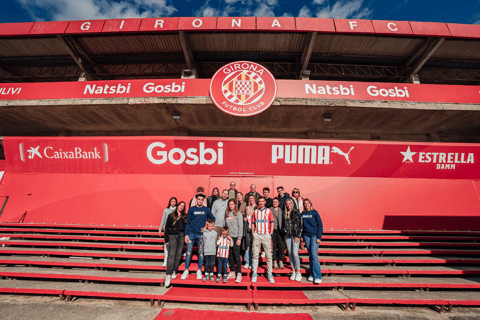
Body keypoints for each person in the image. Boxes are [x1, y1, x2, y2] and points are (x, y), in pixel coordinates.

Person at [182, 193, 215, 280]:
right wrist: (186, 235)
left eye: (202, 199)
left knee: (201, 253)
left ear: (204, 200)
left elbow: (213, 218)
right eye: (199, 199)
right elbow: (187, 223)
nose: (200, 201)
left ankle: (199, 270)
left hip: (201, 234)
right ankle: (186, 270)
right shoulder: (191, 209)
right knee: (189, 252)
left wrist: (206, 227)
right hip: (191, 234)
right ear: (196, 200)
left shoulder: (206, 209)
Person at [251, 197, 275, 284]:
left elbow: (272, 222)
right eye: (259, 201)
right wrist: (253, 233)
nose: (261, 203)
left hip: (266, 235)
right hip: (257, 235)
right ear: (258, 203)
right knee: (255, 255)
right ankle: (254, 272)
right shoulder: (255, 212)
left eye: (262, 201)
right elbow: (253, 223)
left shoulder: (269, 211)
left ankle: (269, 273)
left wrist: (270, 233)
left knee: (268, 256)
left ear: (265, 202)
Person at [164, 201, 186, 287]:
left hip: (181, 236)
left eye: (183, 206)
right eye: (180, 205)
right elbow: (166, 228)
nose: (181, 207)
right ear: (177, 206)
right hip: (172, 235)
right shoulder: (171, 215)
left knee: (178, 254)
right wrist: (166, 239)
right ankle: (168, 275)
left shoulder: (184, 216)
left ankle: (174, 270)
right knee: (171, 254)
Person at [301, 198, 324, 284]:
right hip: (306, 235)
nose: (306, 205)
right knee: (310, 255)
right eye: (305, 204)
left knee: (314, 255)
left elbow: (320, 225)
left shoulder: (314, 212)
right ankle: (312, 274)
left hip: (314, 235)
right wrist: (301, 236)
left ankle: (318, 276)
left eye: (308, 203)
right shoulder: (302, 214)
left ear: (310, 204)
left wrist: (319, 236)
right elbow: (301, 226)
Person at [284, 198, 303, 282]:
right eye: (287, 204)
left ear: (292, 204)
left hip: (295, 236)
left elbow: (300, 225)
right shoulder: (285, 213)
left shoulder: (296, 212)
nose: (288, 205)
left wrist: (298, 235)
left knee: (295, 253)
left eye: (290, 204)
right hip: (288, 236)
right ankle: (293, 271)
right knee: (290, 253)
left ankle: (298, 272)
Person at [224, 199, 244, 282]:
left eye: (232, 204)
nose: (231, 206)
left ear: (235, 205)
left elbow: (240, 226)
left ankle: (239, 273)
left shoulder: (238, 214)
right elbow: (225, 226)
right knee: (230, 255)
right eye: (230, 204)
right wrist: (227, 235)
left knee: (236, 254)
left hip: (236, 237)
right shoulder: (227, 214)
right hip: (229, 237)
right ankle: (232, 271)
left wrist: (239, 238)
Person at [159, 197, 177, 267]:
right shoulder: (166, 210)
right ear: (169, 202)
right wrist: (160, 228)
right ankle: (165, 260)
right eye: (172, 201)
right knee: (166, 246)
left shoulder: (177, 210)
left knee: (173, 246)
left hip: (174, 230)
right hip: (167, 230)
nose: (173, 203)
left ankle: (172, 261)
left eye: (174, 201)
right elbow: (163, 219)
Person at [241, 195, 256, 269]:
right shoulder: (247, 208)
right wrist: (245, 217)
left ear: (254, 199)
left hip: (255, 228)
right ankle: (247, 262)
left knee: (253, 246)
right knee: (247, 245)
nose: (251, 199)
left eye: (252, 198)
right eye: (250, 198)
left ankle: (252, 262)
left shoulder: (257, 207)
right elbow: (244, 215)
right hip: (248, 228)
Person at [270, 197, 285, 269]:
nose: (275, 203)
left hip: (279, 230)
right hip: (273, 230)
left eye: (276, 202)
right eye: (274, 202)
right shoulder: (270, 210)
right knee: (274, 246)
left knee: (281, 246)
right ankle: (275, 261)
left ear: (278, 203)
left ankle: (280, 261)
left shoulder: (281, 210)